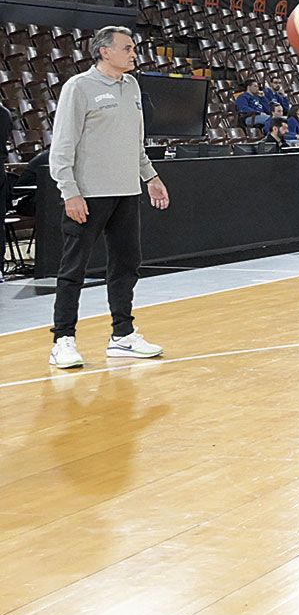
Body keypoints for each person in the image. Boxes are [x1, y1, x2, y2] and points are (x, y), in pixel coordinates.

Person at [48, 26, 170, 368]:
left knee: (126, 265)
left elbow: (136, 142)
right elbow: (62, 146)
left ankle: (122, 336)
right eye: (127, 48)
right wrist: (69, 192)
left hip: (127, 194)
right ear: (105, 51)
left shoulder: (131, 86)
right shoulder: (78, 87)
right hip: (87, 196)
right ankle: (63, 340)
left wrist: (151, 177)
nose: (134, 53)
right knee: (74, 269)